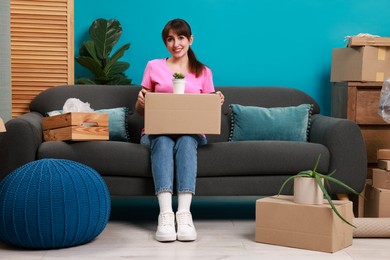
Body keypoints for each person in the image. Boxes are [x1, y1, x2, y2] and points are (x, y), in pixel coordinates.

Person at [135, 18, 224, 242]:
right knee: (164, 140)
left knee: (185, 139)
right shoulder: (153, 66)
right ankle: (165, 214)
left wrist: (216, 102)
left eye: (181, 38)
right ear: (165, 43)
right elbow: (140, 110)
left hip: (191, 133)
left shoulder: (204, 71)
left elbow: (206, 111)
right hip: (157, 132)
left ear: (190, 40)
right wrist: (140, 103)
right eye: (170, 39)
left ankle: (184, 214)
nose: (176, 44)